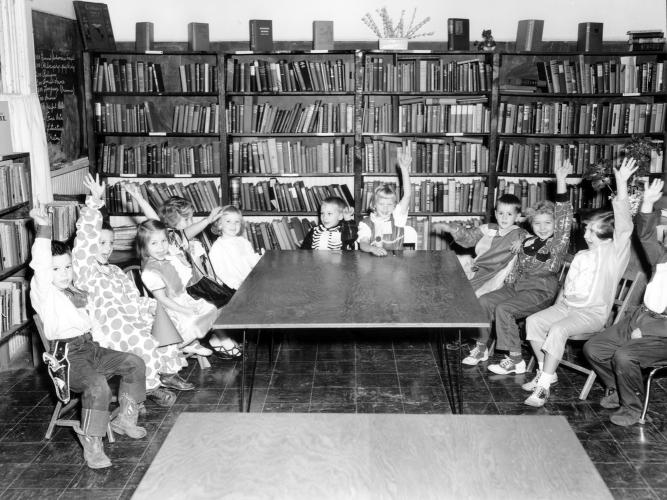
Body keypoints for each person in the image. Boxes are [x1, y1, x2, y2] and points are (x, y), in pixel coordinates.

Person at [29, 203, 148, 470]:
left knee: (134, 362)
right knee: (98, 386)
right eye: (56, 269)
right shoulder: (44, 293)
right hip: (68, 357)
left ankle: (124, 420)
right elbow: (40, 263)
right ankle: (92, 441)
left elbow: (92, 321)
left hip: (90, 347)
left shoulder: (74, 290)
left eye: (67, 267)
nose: (64, 274)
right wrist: (43, 228)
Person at [522, 158, 637, 407]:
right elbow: (567, 288)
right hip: (568, 308)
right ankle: (546, 374)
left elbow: (624, 224)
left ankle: (543, 388)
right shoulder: (582, 255)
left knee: (558, 329)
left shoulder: (614, 254)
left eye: (591, 231)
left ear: (606, 235)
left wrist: (622, 183)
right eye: (585, 229)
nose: (584, 235)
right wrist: (556, 307)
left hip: (591, 313)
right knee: (534, 321)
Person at [73, 175, 192, 407]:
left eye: (110, 243)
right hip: (109, 329)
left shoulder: (116, 272)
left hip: (131, 319)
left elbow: (134, 299)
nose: (106, 249)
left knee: (166, 321)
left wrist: (154, 306)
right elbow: (84, 239)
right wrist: (94, 203)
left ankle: (166, 372)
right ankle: (149, 387)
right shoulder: (86, 271)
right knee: (144, 341)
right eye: (101, 243)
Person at [462, 160, 574, 372]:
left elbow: (564, 218)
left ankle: (516, 360)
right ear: (531, 224)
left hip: (539, 292)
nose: (542, 228)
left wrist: (561, 181)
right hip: (515, 288)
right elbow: (514, 265)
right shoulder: (527, 241)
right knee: (484, 301)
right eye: (537, 223)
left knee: (504, 310)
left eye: (547, 223)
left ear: (555, 226)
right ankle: (481, 347)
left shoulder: (558, 243)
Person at [583, 178, 667, 426]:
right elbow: (646, 236)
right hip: (641, 318)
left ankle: (632, 408)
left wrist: (647, 331)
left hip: (662, 334)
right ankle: (618, 389)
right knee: (594, 348)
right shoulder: (663, 258)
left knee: (625, 356)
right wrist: (648, 205)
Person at [126, 184, 241, 358]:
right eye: (186, 219)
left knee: (226, 298)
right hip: (182, 294)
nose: (191, 223)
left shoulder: (172, 241)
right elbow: (157, 222)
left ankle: (218, 339)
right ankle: (213, 340)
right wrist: (208, 220)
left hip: (190, 288)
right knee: (219, 302)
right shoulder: (168, 241)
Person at [137, 219, 218, 356]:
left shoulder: (169, 258)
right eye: (154, 243)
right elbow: (162, 299)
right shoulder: (149, 272)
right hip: (169, 308)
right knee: (193, 321)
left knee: (212, 308)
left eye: (164, 241)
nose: (161, 247)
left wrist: (181, 257)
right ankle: (176, 345)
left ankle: (190, 343)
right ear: (144, 247)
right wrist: (185, 310)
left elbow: (187, 275)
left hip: (184, 298)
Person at [433, 194, 525, 297]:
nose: (504, 217)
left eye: (509, 214)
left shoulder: (519, 233)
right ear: (495, 214)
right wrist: (452, 229)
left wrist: (521, 242)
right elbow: (469, 237)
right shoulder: (488, 228)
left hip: (495, 274)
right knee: (450, 272)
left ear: (517, 216)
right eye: (501, 213)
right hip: (478, 266)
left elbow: (532, 241)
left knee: (469, 293)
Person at [358, 148, 412, 256]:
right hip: (374, 265)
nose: (385, 208)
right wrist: (372, 249)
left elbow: (407, 195)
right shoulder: (366, 223)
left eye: (389, 205)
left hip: (396, 264)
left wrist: (404, 169)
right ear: (373, 205)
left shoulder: (397, 217)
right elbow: (363, 244)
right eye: (381, 204)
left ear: (394, 206)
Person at [208, 205, 262, 290]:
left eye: (237, 221)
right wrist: (235, 284)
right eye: (228, 221)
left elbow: (251, 259)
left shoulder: (243, 242)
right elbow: (220, 272)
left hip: (249, 282)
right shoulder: (217, 248)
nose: (233, 225)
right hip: (231, 287)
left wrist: (260, 260)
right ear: (219, 225)